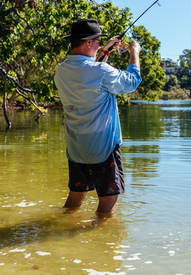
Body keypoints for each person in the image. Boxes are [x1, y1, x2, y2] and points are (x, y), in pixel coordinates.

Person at [54, 19, 141, 216]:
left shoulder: (62, 71)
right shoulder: (99, 71)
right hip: (103, 148)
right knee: (109, 199)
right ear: (88, 43)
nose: (100, 44)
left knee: (76, 195)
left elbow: (88, 74)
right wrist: (134, 52)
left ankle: (62, 224)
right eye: (99, 41)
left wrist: (105, 52)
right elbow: (131, 82)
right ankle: (102, 241)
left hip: (77, 148)